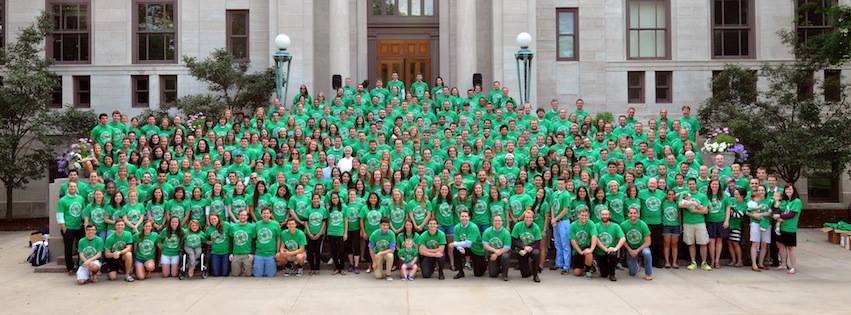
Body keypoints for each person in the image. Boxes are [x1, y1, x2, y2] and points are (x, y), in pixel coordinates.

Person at [679, 178, 711, 271]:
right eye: (690, 184)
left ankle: (704, 263)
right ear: (687, 185)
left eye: (693, 184)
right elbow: (680, 205)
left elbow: (705, 211)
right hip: (688, 222)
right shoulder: (684, 194)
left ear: (696, 184)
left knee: (703, 243)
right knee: (691, 243)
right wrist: (692, 202)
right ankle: (693, 262)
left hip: (700, 222)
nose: (691, 186)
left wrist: (695, 209)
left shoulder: (702, 196)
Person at [58, 181, 86, 274]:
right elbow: (59, 214)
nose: (72, 188)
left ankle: (79, 265)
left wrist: (84, 223)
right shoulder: (63, 200)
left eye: (74, 186)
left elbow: (83, 212)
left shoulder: (80, 199)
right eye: (71, 186)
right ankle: (69, 267)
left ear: (76, 188)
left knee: (80, 247)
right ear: (68, 188)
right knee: (68, 248)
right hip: (68, 227)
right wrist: (63, 226)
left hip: (79, 226)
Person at [774, 184, 801, 274]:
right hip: (781, 226)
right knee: (781, 245)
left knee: (790, 247)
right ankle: (784, 264)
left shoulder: (796, 201)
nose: (788, 191)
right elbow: (779, 208)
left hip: (790, 227)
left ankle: (793, 267)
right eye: (786, 189)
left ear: (794, 190)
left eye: (790, 189)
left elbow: (791, 214)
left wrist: (779, 216)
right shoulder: (786, 201)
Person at [450, 211, 486, 278]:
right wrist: (459, 248)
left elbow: (468, 244)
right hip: (465, 248)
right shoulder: (457, 227)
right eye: (462, 216)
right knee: (456, 251)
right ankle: (460, 272)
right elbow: (456, 240)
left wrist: (455, 244)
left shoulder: (473, 227)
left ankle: (484, 263)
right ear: (459, 217)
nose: (464, 218)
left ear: (469, 217)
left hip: (476, 249)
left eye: (466, 216)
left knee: (478, 274)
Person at [620, 207, 653, 280]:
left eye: (635, 213)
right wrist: (630, 250)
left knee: (647, 253)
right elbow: (622, 240)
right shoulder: (623, 225)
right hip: (630, 248)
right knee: (632, 273)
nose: (633, 215)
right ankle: (636, 265)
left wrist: (637, 250)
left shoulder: (643, 224)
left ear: (638, 214)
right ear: (628, 214)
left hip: (642, 247)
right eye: (631, 213)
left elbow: (648, 242)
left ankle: (648, 273)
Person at [705, 179, 730, 269]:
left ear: (719, 186)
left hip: (721, 221)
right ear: (710, 185)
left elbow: (728, 208)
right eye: (713, 184)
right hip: (710, 221)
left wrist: (727, 220)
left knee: (719, 241)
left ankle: (717, 260)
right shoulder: (706, 196)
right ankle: (712, 260)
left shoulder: (724, 196)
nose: (714, 186)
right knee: (711, 241)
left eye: (716, 184)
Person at [594, 209, 625, 281]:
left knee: (613, 254)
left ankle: (612, 274)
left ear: (610, 215)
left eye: (606, 214)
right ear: (600, 216)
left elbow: (623, 238)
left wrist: (615, 248)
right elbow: (596, 239)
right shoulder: (596, 226)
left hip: (611, 251)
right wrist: (605, 249)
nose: (604, 216)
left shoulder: (615, 226)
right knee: (604, 274)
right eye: (603, 214)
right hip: (600, 252)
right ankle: (598, 265)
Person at [512, 210, 542, 282]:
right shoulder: (518, 226)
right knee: (525, 275)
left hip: (532, 248)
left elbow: (537, 243)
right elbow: (514, 240)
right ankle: (533, 267)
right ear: (524, 218)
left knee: (536, 253)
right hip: (521, 249)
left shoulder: (536, 227)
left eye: (530, 217)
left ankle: (535, 275)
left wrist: (527, 249)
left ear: (533, 218)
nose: (528, 219)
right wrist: (524, 247)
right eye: (526, 217)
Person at [747, 186, 771, 272]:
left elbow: (771, 212)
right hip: (755, 223)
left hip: (766, 224)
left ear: (765, 191)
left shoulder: (769, 201)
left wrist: (761, 215)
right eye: (759, 190)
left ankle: (760, 263)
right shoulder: (753, 201)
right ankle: (754, 264)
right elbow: (747, 211)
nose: (761, 191)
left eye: (762, 190)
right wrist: (753, 215)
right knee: (755, 243)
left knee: (764, 244)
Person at [482, 215, 512, 281]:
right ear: (493, 222)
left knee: (505, 256)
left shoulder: (506, 232)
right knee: (493, 274)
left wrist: (496, 254)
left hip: (503, 252)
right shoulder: (487, 231)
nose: (497, 222)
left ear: (502, 222)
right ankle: (497, 267)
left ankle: (505, 274)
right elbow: (485, 244)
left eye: (499, 221)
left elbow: (507, 247)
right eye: (495, 221)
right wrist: (495, 251)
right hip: (492, 253)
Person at [570, 208, 598, 278]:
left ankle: (588, 270)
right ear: (578, 216)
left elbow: (594, 236)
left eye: (586, 215)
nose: (584, 217)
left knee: (588, 253)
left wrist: (591, 249)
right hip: (577, 249)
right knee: (577, 273)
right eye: (582, 215)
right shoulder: (573, 225)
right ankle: (588, 265)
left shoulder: (591, 223)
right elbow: (572, 240)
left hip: (587, 247)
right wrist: (580, 251)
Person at [253, 208, 280, 277]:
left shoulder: (276, 224)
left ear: (270, 214)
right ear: (261, 215)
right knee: (257, 275)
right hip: (259, 254)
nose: (266, 215)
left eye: (267, 213)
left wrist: (277, 251)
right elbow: (253, 238)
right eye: (264, 213)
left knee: (270, 275)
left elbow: (278, 238)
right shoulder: (257, 224)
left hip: (271, 254)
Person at [304, 193, 327, 275]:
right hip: (309, 233)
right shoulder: (308, 209)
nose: (316, 200)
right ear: (312, 199)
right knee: (310, 251)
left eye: (318, 198)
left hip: (319, 234)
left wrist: (319, 233)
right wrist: (309, 233)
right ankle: (311, 268)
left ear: (320, 200)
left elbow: (324, 222)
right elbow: (305, 222)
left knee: (317, 251)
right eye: (314, 198)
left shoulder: (323, 209)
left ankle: (317, 268)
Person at [326, 193, 348, 275]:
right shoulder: (329, 209)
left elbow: (346, 220)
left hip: (340, 232)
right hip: (331, 232)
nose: (335, 199)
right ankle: (336, 267)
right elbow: (328, 221)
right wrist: (327, 232)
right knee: (333, 251)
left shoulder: (344, 207)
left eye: (336, 198)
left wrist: (345, 233)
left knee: (341, 251)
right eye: (333, 198)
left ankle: (342, 268)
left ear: (339, 198)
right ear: (331, 199)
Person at [229, 210, 255, 277]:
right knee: (235, 274)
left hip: (247, 254)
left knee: (248, 274)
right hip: (236, 254)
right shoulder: (233, 227)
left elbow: (254, 241)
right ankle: (240, 269)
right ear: (238, 216)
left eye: (244, 215)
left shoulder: (252, 227)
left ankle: (244, 269)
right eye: (241, 215)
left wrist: (252, 253)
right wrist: (231, 253)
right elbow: (231, 241)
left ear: (247, 217)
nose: (242, 217)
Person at [661, 189, 681, 268]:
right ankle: (667, 262)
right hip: (666, 226)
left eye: (672, 194)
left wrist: (680, 225)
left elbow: (679, 214)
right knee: (666, 244)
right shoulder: (664, 203)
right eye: (669, 194)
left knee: (674, 244)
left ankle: (674, 262)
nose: (671, 196)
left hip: (675, 225)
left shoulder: (677, 203)